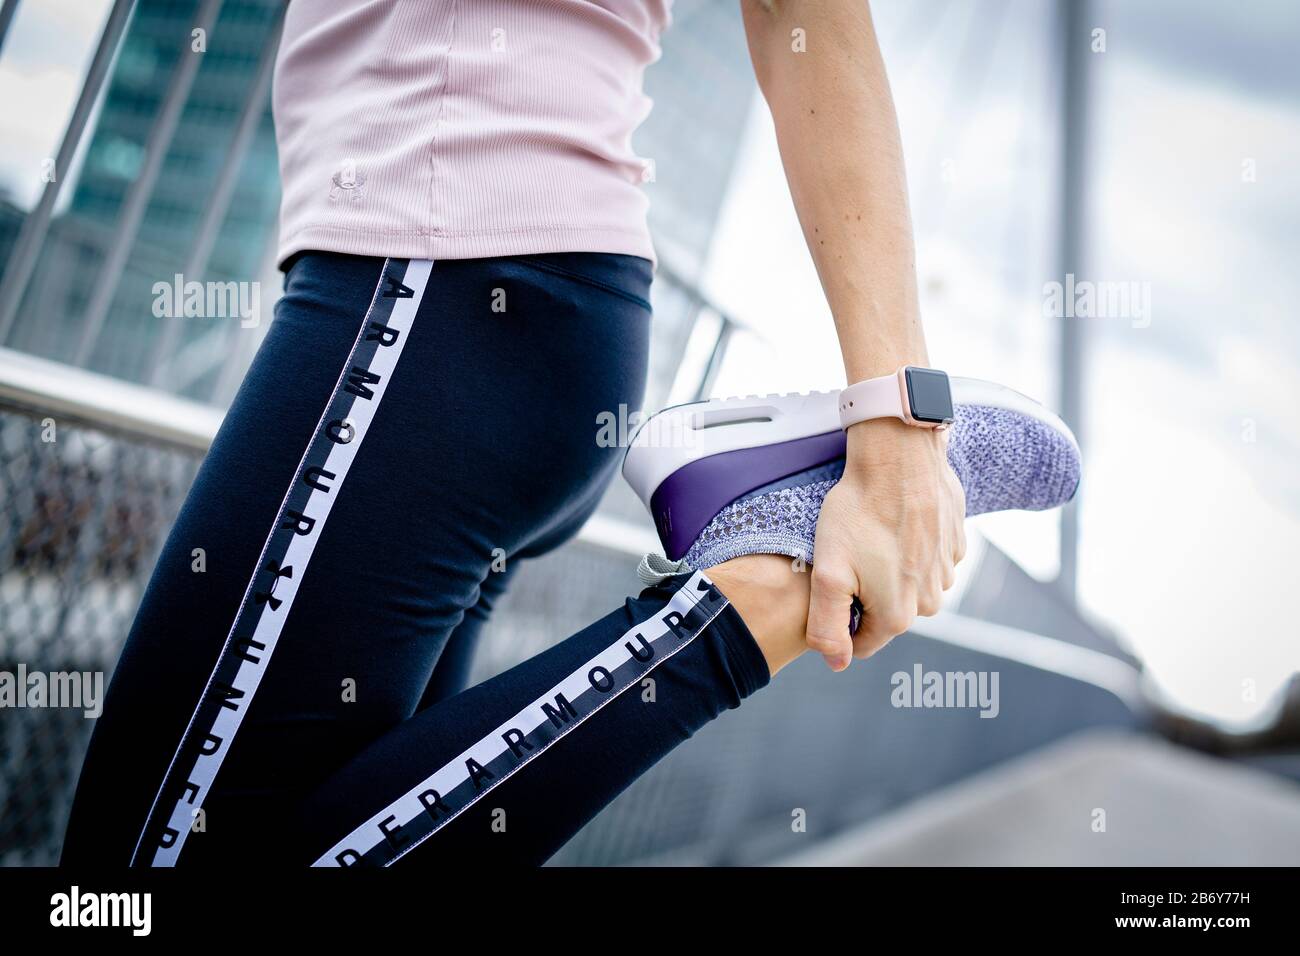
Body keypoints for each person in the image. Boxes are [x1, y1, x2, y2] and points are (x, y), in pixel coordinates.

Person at [60, 0, 1076, 868]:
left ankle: (758, 591)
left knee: (135, 874)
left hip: (439, 281)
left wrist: (898, 419)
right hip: (488, 318)